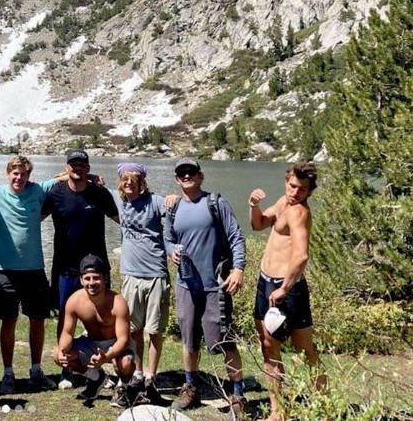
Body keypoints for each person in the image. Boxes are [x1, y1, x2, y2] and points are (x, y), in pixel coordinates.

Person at [164, 157, 248, 418]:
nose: (186, 176)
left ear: (200, 176)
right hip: (186, 285)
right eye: (182, 174)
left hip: (216, 287)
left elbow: (236, 236)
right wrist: (171, 251)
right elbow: (167, 238)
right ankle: (190, 387)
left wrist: (238, 269)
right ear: (177, 179)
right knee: (189, 339)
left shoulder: (216, 202)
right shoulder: (173, 208)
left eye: (191, 172)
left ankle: (237, 393)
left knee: (223, 341)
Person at [0, 155, 58, 394]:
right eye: (15, 173)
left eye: (24, 174)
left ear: (29, 175)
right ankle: (8, 373)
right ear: (8, 173)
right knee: (8, 322)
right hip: (5, 271)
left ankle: (36, 370)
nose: (19, 178)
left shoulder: (39, 190)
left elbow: (63, 178)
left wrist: (91, 177)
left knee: (37, 320)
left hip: (34, 269)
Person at [249, 162, 324, 421]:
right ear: (286, 182)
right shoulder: (284, 202)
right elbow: (258, 225)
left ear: (309, 191)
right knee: (269, 347)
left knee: (306, 352)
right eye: (293, 186)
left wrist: (285, 288)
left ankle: (324, 407)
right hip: (266, 283)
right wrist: (253, 205)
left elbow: (301, 256)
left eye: (302, 189)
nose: (296, 192)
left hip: (287, 288)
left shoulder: (299, 213)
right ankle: (277, 411)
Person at [42, 149, 119, 389]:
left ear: (88, 167)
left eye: (82, 164)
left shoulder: (99, 193)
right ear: (66, 167)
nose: (78, 168)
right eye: (73, 164)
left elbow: (123, 218)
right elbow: (33, 219)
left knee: (103, 318)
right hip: (66, 268)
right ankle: (67, 368)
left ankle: (100, 366)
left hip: (97, 269)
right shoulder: (55, 194)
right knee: (66, 317)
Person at [112, 162, 170, 408]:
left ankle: (151, 377)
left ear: (142, 182)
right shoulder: (119, 200)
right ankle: (135, 374)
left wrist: (174, 198)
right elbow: (86, 184)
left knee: (155, 330)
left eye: (134, 180)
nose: (129, 184)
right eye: (125, 179)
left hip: (156, 273)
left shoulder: (155, 202)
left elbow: (176, 213)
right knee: (133, 329)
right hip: (130, 276)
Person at [54, 254, 136, 402]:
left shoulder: (118, 302)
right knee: (58, 355)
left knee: (125, 364)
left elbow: (123, 340)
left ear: (105, 278)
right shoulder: (74, 301)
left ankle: (124, 388)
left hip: (116, 343)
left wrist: (107, 357)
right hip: (91, 343)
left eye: (96, 278)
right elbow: (67, 333)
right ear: (81, 280)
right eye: (87, 278)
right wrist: (62, 351)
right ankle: (96, 378)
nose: (91, 283)